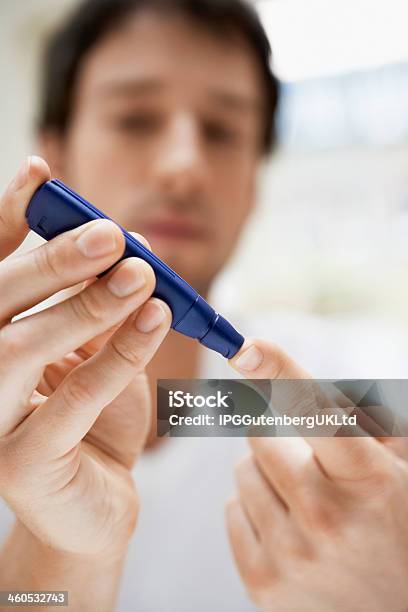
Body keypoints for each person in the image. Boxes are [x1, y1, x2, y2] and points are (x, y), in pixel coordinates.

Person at [1, 1, 408, 610]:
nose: (184, 166)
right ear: (53, 154)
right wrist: (62, 555)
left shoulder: (359, 397)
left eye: (222, 131)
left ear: (255, 179)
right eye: (135, 119)